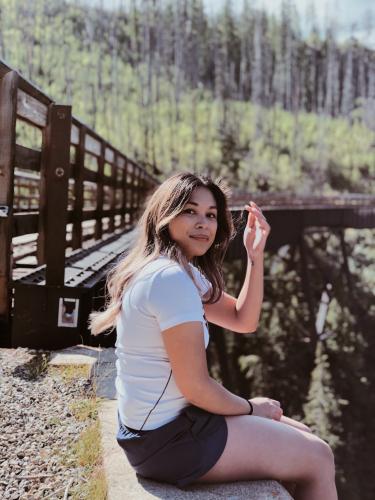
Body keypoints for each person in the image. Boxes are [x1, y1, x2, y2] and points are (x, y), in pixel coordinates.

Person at [89, 172, 337, 499]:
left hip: (163, 429)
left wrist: (254, 256)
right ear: (165, 215)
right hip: (168, 441)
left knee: (304, 436)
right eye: (190, 211)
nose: (203, 223)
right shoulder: (169, 279)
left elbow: (242, 318)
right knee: (319, 457)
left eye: (211, 215)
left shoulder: (177, 270)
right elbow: (196, 386)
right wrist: (252, 407)